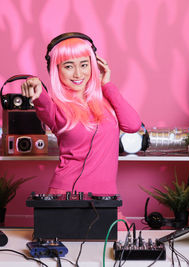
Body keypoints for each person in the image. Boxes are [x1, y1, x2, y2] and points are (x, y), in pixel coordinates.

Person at [21, 32, 141, 196]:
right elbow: (42, 102)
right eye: (69, 66)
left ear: (94, 65)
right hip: (67, 195)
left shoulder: (106, 100)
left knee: (120, 224)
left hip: (107, 197)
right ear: (55, 69)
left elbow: (133, 125)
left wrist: (107, 85)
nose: (78, 74)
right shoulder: (56, 107)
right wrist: (36, 86)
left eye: (84, 64)